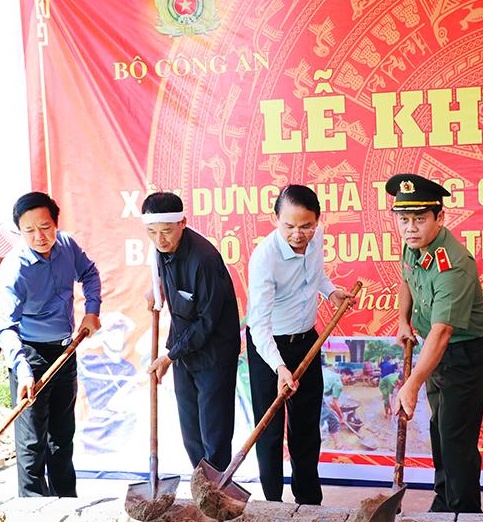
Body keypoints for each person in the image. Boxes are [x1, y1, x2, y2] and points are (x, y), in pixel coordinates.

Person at [389, 173, 483, 513]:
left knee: (456, 437)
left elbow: (443, 331)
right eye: (404, 220)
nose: (411, 228)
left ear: (440, 218)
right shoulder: (413, 246)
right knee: (439, 428)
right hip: (435, 352)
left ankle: (464, 512)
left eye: (419, 219)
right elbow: (407, 278)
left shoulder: (453, 265)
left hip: (462, 352)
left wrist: (412, 383)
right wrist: (404, 320)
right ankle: (443, 498)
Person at [245, 184, 355, 504]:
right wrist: (279, 367)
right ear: (275, 219)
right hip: (269, 349)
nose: (298, 234)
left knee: (306, 425)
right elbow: (259, 325)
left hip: (307, 340)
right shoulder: (264, 258)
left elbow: (316, 274)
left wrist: (331, 292)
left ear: (317, 222)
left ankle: (308, 500)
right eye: (289, 226)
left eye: (306, 226)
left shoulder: (314, 238)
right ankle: (272, 503)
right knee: (270, 429)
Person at [0, 192, 102, 497]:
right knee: (32, 441)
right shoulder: (15, 268)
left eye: (44, 227)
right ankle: (32, 509)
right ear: (19, 231)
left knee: (62, 435)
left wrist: (92, 311)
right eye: (28, 230)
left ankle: (66, 503)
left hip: (65, 351)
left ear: (55, 223)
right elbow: (6, 328)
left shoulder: (67, 246)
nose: (38, 237)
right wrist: (23, 370)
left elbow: (90, 274)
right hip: (29, 355)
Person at [141, 192, 241, 471]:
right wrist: (157, 287)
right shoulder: (159, 250)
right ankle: (201, 483)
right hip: (184, 348)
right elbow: (165, 277)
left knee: (214, 429)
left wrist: (170, 355)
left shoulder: (204, 260)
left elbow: (207, 322)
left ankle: (218, 490)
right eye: (152, 232)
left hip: (213, 351)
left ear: (182, 223)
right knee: (190, 429)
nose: (160, 239)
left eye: (166, 231)